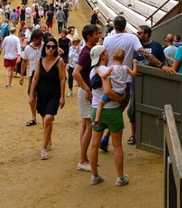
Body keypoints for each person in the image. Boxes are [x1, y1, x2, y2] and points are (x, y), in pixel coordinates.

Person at [88, 44, 130, 187]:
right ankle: (120, 177)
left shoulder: (93, 71)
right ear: (102, 56)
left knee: (94, 144)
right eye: (105, 52)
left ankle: (95, 176)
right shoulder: (107, 70)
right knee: (117, 145)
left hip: (96, 109)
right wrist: (121, 98)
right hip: (112, 110)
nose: (107, 54)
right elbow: (108, 91)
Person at [29, 36, 67, 160]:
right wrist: (31, 94)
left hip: (54, 94)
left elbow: (62, 79)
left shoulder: (59, 61)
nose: (50, 49)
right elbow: (35, 78)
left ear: (56, 49)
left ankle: (43, 148)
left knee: (48, 118)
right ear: (45, 48)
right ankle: (48, 140)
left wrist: (62, 96)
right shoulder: (41, 61)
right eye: (48, 47)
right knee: (45, 120)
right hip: (42, 94)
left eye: (53, 47)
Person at [73, 24, 103, 172]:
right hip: (87, 92)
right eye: (96, 34)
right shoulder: (86, 53)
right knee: (90, 126)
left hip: (86, 91)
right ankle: (83, 159)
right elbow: (76, 73)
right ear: (89, 36)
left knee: (86, 125)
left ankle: (84, 157)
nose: (98, 36)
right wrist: (87, 89)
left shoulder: (88, 51)